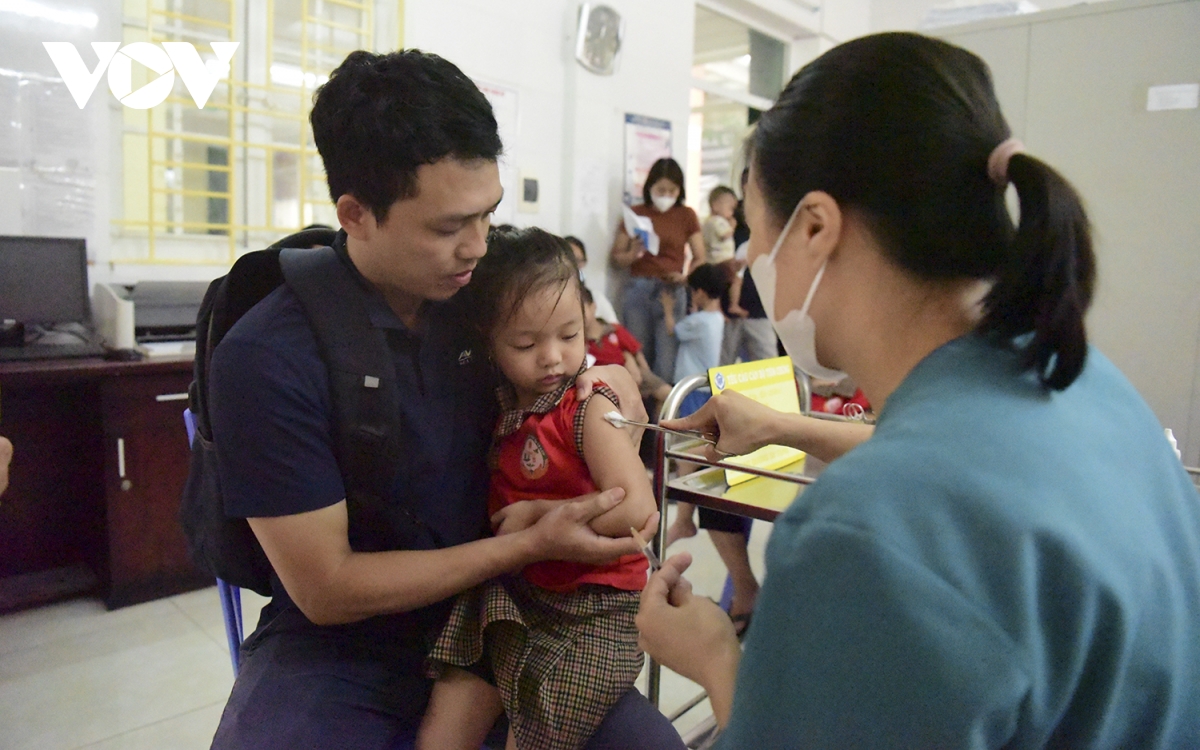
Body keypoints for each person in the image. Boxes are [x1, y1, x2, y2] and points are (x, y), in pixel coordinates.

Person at [638, 32, 1200, 748]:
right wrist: (785, 428)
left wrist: (717, 659)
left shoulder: (865, 535)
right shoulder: (1082, 380)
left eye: (753, 226)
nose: (746, 256)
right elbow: (961, 465)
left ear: (815, 226)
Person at [207, 49, 674, 750]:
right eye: (449, 228)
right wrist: (522, 546)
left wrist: (611, 388)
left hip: (521, 609)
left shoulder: (487, 304)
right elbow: (327, 588)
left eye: (488, 215)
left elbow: (588, 368)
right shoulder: (269, 357)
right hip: (345, 643)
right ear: (356, 213)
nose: (478, 247)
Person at [416, 227, 657, 750]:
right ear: (488, 342)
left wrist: (543, 517)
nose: (551, 358)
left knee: (540, 733)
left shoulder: (588, 407)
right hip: (519, 589)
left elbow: (639, 509)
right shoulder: (501, 402)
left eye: (569, 337)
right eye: (526, 343)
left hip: (599, 609)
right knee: (447, 717)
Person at [610, 158, 705, 382]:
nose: (666, 195)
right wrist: (633, 253)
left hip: (671, 289)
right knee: (638, 353)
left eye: (671, 190)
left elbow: (700, 256)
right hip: (638, 287)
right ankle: (640, 410)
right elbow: (616, 257)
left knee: (667, 357)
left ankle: (663, 412)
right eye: (660, 190)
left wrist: (685, 277)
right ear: (649, 187)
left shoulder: (686, 215)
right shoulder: (636, 213)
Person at [565, 235, 619, 324]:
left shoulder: (597, 298)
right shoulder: (551, 299)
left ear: (584, 263)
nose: (573, 265)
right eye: (569, 259)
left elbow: (615, 328)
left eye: (577, 260)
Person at [701, 186, 738, 266]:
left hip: (711, 259)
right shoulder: (718, 221)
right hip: (721, 259)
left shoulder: (707, 221)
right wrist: (732, 227)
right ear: (716, 206)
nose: (731, 213)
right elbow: (724, 235)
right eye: (730, 208)